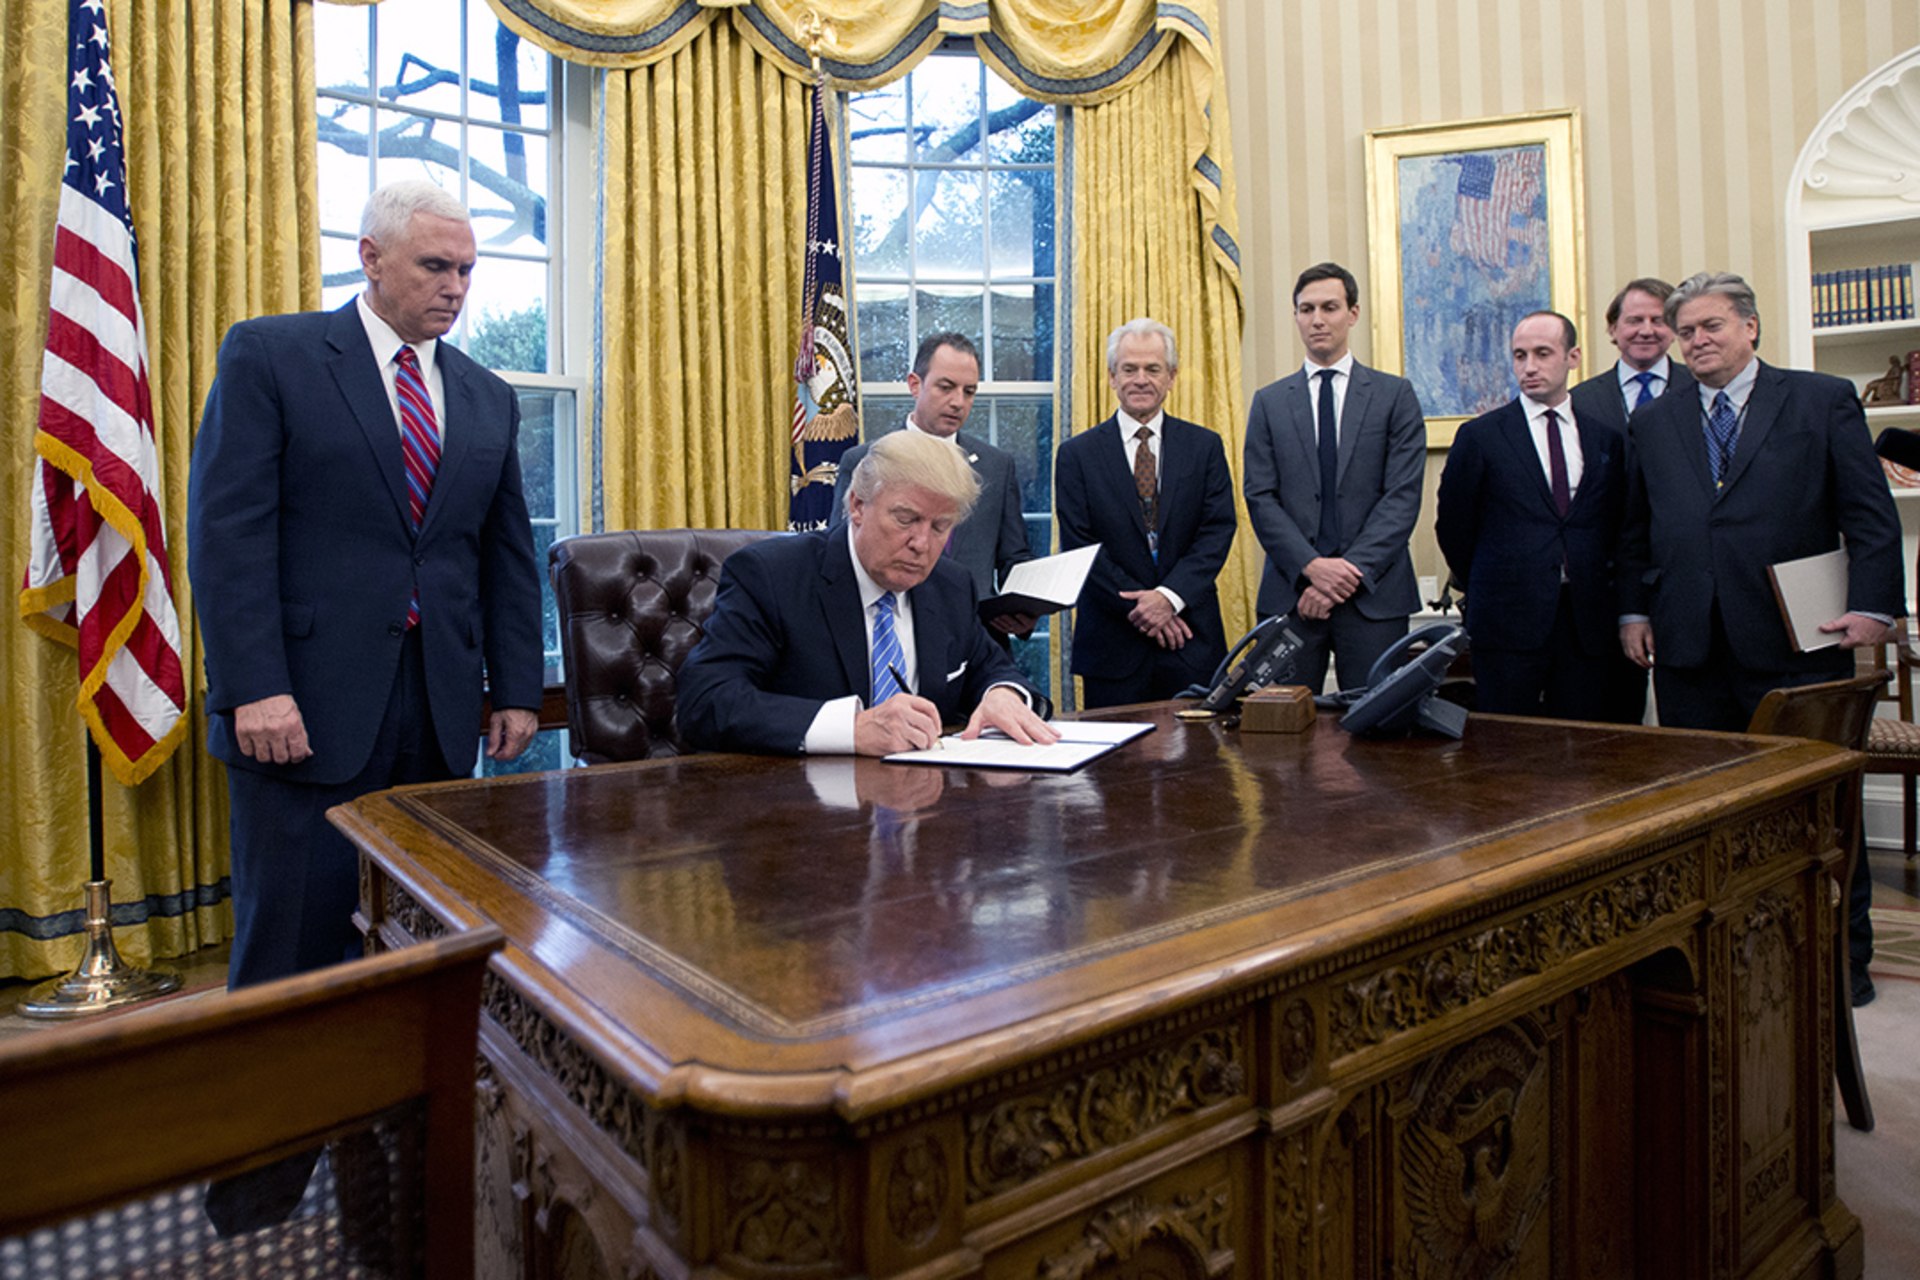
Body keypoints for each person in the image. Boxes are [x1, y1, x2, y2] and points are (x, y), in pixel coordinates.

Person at [187, 179, 544, 1229]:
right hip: (300, 714)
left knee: (415, 964)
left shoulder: (484, 394)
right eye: (436, 266)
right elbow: (229, 533)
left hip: (436, 717)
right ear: (371, 258)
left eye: (469, 269)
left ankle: (389, 1195)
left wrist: (515, 685)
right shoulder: (273, 356)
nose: (457, 287)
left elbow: (502, 551)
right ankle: (251, 1204)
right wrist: (255, 682)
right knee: (291, 958)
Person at [1617, 271, 1901, 1006]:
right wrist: (1633, 612)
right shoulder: (1655, 421)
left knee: (1818, 809)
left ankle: (1846, 967)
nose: (1697, 341)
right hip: (1687, 650)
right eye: (1688, 331)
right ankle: (1728, 959)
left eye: (1711, 326)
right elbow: (1636, 531)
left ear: (1751, 328)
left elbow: (1869, 516)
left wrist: (1875, 607)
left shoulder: (1819, 399)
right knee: (1705, 814)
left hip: (1795, 644)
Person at [679, 429, 1057, 756]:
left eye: (941, 527)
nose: (922, 544)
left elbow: (991, 668)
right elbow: (706, 701)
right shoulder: (772, 575)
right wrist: (852, 728)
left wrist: (1003, 694)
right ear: (858, 505)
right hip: (803, 814)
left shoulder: (950, 584)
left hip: (927, 812)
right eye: (905, 519)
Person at [1243, 262, 1426, 691]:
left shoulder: (1394, 395)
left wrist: (1343, 575)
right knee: (1283, 738)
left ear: (1353, 313)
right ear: (1296, 317)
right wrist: (1310, 567)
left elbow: (1401, 497)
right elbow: (1260, 497)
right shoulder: (1269, 402)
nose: (1317, 319)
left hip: (1373, 599)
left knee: (1376, 732)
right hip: (1291, 596)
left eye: (1329, 307)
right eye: (1306, 309)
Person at [1436, 312, 1624, 719]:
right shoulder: (1481, 437)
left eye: (1543, 353)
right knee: (1507, 747)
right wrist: (1493, 579)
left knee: (1587, 746)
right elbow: (1454, 526)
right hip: (1507, 622)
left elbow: (1614, 524)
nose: (1530, 366)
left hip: (1585, 622)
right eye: (1520, 356)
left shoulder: (1603, 438)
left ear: (1572, 357)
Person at [1054, 318, 1236, 707]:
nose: (1140, 379)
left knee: (1199, 764)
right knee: (1113, 767)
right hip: (1113, 645)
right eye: (1129, 369)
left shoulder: (1204, 446)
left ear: (1171, 376)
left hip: (1189, 639)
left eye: (1152, 369)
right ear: (1111, 377)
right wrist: (1144, 609)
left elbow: (1217, 531)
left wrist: (1169, 599)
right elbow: (1080, 545)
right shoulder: (1076, 456)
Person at [833, 332, 1036, 639]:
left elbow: (1013, 556)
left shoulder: (997, 466)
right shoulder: (864, 460)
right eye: (946, 387)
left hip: (976, 640)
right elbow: (839, 552)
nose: (958, 402)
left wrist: (1026, 607)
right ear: (915, 384)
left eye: (969, 392)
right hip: (887, 634)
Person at [1568, 277, 1695, 723]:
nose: (1646, 330)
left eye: (1659, 320)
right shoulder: (1579, 401)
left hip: (1684, 573)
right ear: (1612, 330)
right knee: (1615, 715)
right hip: (1604, 583)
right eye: (1634, 319)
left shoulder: (1701, 391)